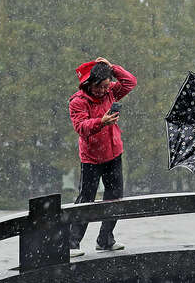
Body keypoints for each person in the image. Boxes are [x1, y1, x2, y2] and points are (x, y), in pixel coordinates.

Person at [68, 56, 137, 257]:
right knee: (86, 199)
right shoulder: (78, 101)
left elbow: (130, 82)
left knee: (115, 198)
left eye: (107, 86)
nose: (104, 90)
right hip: (91, 158)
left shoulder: (111, 93)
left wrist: (112, 68)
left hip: (114, 154)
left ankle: (105, 239)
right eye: (100, 87)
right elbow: (81, 127)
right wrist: (101, 121)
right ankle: (71, 244)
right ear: (90, 83)